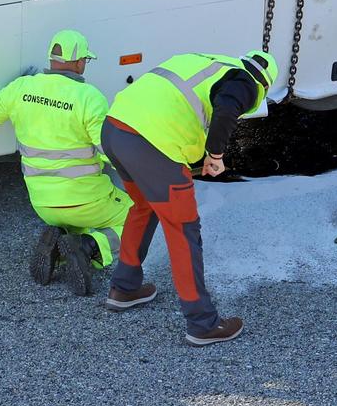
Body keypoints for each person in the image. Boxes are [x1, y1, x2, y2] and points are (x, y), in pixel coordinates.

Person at [100, 49, 279, 346]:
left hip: (115, 129)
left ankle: (124, 287)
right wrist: (216, 155)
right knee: (183, 229)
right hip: (151, 144)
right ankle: (202, 323)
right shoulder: (247, 82)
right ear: (265, 85)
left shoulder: (207, 63)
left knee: (144, 206)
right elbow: (226, 108)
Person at [0, 30, 129, 294]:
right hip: (85, 201)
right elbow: (111, 152)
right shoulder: (89, 97)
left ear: (52, 59)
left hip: (42, 203)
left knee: (75, 217)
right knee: (139, 216)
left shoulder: (23, 87)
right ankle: (90, 247)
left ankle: (59, 245)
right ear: (80, 62)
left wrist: (16, 92)